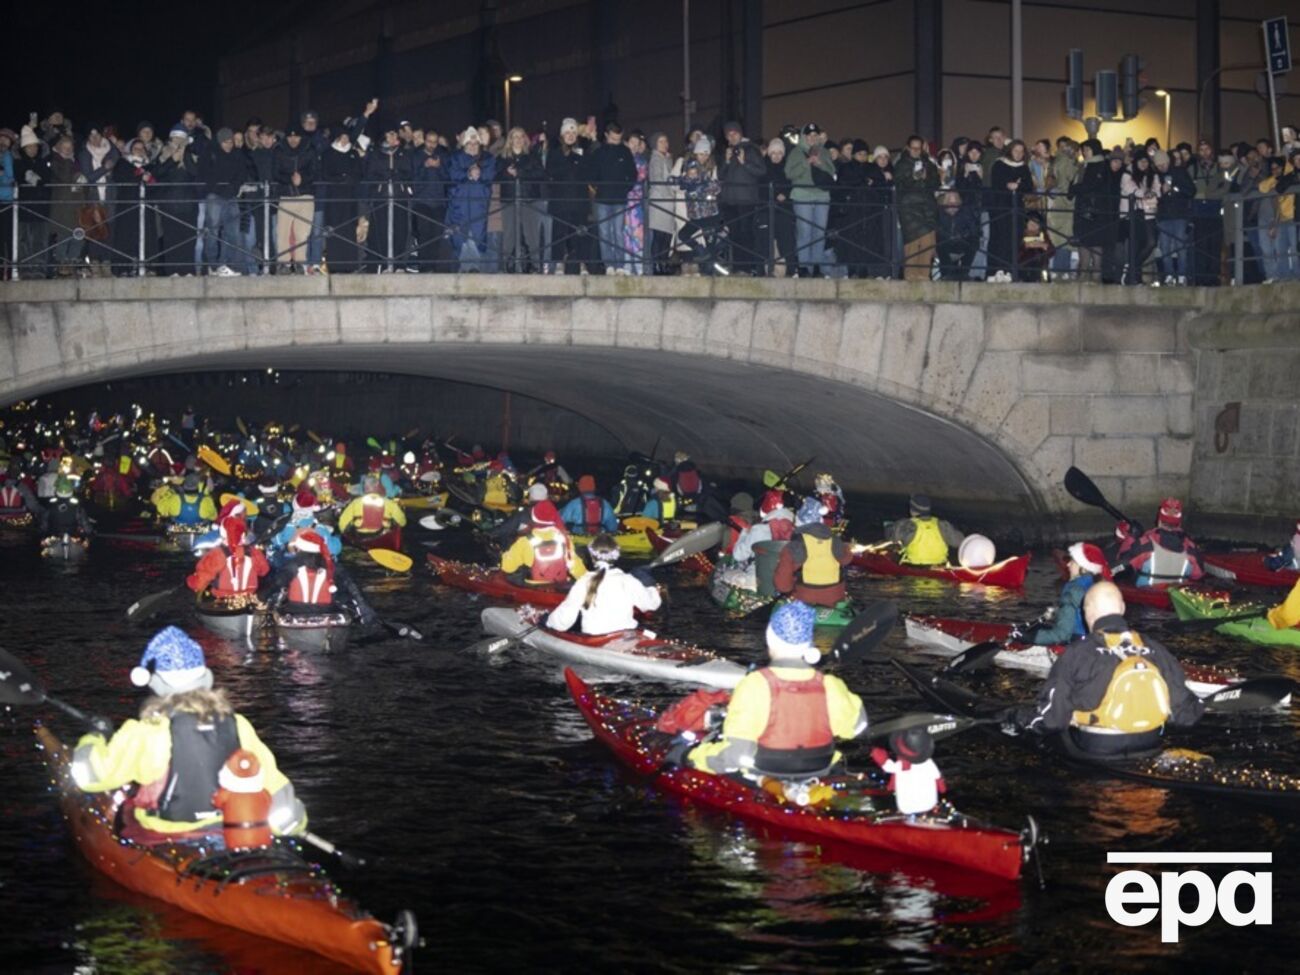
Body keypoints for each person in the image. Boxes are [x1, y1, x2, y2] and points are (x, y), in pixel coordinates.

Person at [70, 626, 307, 842]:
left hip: (165, 833)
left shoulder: (146, 731)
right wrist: (290, 822)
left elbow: (92, 777)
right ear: (206, 678)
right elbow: (276, 788)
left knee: (127, 809)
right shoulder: (238, 724)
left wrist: (94, 737)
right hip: (227, 828)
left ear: (156, 685)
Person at [1011, 582, 1205, 755]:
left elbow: (1052, 720)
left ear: (1087, 613)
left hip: (1097, 748)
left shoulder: (1077, 653)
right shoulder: (1156, 649)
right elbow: (1187, 716)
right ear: (1122, 608)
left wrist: (1019, 719)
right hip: (1149, 744)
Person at [687, 601, 867, 776]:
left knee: (688, 753)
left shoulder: (755, 685)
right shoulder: (830, 685)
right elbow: (857, 728)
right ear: (808, 644)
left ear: (769, 638)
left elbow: (737, 754)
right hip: (821, 768)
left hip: (765, 771)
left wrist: (695, 757)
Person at [546, 533, 662, 635]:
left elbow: (563, 620)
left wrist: (548, 622)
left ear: (592, 557)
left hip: (595, 638)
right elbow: (651, 604)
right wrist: (651, 588)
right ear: (617, 556)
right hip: (626, 636)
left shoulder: (584, 582)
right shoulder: (628, 580)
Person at [1022, 542, 1111, 646]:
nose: (1068, 564)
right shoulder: (1097, 587)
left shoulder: (1073, 591)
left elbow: (1062, 635)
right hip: (1095, 642)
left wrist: (1029, 637)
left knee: (1028, 634)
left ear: (1083, 567)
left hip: (1077, 646)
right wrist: (1058, 612)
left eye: (1072, 561)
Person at [773, 498, 853, 607]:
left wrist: (790, 586)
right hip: (834, 598)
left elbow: (783, 585)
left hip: (806, 598)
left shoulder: (794, 546)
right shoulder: (834, 540)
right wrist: (846, 547)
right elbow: (846, 559)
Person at [585, 121, 638, 274]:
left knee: (618, 232)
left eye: (619, 139)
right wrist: (597, 187)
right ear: (607, 135)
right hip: (602, 198)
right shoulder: (599, 152)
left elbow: (632, 173)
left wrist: (625, 188)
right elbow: (591, 173)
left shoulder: (625, 152)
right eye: (613, 139)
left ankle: (619, 265)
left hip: (620, 198)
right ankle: (608, 264)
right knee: (605, 232)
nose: (616, 142)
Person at [784, 123, 835, 277]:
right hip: (802, 195)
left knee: (819, 232)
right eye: (809, 135)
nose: (812, 138)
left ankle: (817, 266)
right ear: (804, 136)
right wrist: (806, 163)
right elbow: (789, 173)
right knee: (804, 232)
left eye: (815, 135)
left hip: (821, 195)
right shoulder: (796, 152)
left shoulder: (824, 152)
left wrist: (820, 163)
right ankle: (804, 267)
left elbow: (832, 172)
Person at [500, 500, 586, 585]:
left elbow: (507, 567)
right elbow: (577, 568)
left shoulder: (524, 542)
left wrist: (505, 555)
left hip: (534, 588)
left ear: (534, 518)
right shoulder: (564, 539)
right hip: (560, 586)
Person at [1124, 498, 1204, 587]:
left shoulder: (1145, 543)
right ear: (1179, 523)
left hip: (1146, 595)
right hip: (1175, 596)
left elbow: (1124, 565)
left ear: (1159, 521)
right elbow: (1198, 575)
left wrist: (1130, 538)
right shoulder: (1191, 548)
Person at [187, 516, 270, 601]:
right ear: (244, 535)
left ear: (223, 534)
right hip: (248, 597)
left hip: (222, 599)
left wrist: (193, 582)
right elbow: (264, 571)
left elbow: (202, 579)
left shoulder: (217, 554)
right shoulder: (254, 552)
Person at [870, 728, 946, 817]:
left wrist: (877, 753)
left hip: (908, 805)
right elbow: (938, 780)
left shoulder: (903, 765)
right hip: (928, 803)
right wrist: (942, 788)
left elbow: (888, 766)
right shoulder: (929, 763)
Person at [894, 135, 941, 281]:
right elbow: (899, 183)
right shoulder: (901, 164)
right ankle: (910, 275)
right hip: (908, 206)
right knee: (912, 242)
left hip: (927, 206)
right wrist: (912, 177)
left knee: (928, 241)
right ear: (908, 148)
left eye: (918, 148)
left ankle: (923, 275)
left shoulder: (928, 163)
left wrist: (926, 176)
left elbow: (936, 183)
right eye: (913, 148)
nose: (916, 151)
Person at [886, 494, 964, 566]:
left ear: (912, 510)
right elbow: (960, 541)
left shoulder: (908, 526)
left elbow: (891, 536)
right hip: (939, 566)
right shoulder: (942, 525)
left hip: (913, 568)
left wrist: (890, 526)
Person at [338, 473, 406, 539]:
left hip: (360, 536)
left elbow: (342, 522)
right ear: (377, 486)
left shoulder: (355, 503)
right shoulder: (389, 503)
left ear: (365, 488)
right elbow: (402, 521)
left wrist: (344, 534)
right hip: (383, 537)